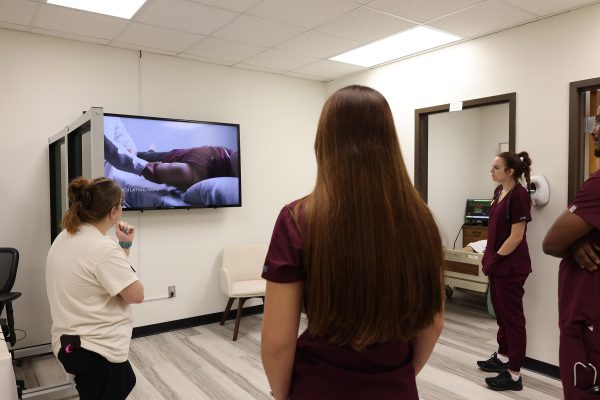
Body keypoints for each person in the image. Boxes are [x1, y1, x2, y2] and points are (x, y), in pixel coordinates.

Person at [260, 85, 445, 400]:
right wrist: (399, 377)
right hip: (395, 387)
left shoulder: (298, 218)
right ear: (390, 142)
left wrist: (282, 396)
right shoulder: (422, 221)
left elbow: (277, 343)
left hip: (318, 387)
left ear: (324, 142)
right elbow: (434, 323)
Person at [46, 177, 144, 400]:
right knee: (119, 382)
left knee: (127, 379)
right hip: (95, 349)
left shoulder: (66, 236)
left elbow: (109, 278)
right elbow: (135, 295)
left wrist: (124, 246)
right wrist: (121, 248)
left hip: (70, 343)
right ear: (113, 211)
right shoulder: (101, 247)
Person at [543, 105, 600, 399]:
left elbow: (551, 243)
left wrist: (573, 238)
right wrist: (578, 237)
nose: (593, 130)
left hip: (588, 317)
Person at [476, 151, 533, 391]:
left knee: (513, 319)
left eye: (496, 168)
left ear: (510, 171)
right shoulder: (499, 192)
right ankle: (502, 357)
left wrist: (496, 259)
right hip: (496, 262)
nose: (492, 171)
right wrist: (488, 257)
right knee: (500, 313)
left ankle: (514, 374)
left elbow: (517, 236)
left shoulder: (519, 195)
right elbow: (495, 232)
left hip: (511, 266)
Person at [139, 146, 239, 190]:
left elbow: (152, 169)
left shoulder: (197, 171)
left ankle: (149, 152)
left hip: (170, 157)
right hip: (181, 153)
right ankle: (151, 151)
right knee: (150, 154)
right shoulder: (230, 155)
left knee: (138, 155)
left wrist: (154, 166)